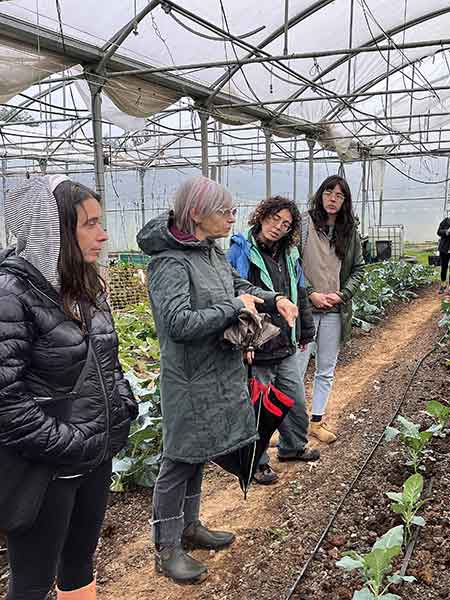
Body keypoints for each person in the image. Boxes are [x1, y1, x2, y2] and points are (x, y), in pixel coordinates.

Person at [137, 176, 298, 584]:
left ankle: (190, 528)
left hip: (217, 371)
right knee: (178, 460)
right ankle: (167, 547)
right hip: (189, 378)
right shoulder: (169, 262)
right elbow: (177, 323)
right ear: (196, 214)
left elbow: (236, 285)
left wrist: (270, 298)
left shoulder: (208, 251)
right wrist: (232, 308)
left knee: (199, 455)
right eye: (224, 211)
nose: (232, 218)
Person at [0, 177, 136, 600]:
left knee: (79, 564)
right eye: (90, 224)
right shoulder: (12, 294)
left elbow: (107, 361)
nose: (103, 234)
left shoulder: (86, 288)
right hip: (44, 468)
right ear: (56, 229)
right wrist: (67, 442)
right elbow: (6, 399)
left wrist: (123, 405)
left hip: (92, 455)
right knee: (34, 579)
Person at [227, 196, 317, 485]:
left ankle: (292, 447)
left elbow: (299, 293)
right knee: (258, 408)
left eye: (286, 224)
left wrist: (305, 331)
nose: (278, 227)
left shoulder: (290, 255)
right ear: (261, 216)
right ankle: (257, 462)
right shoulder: (241, 252)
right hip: (258, 344)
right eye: (274, 219)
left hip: (285, 343)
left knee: (294, 399)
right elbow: (235, 299)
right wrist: (245, 343)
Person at [296, 175, 365, 444]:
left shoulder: (350, 231)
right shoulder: (303, 224)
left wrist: (342, 295)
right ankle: (293, 425)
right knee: (297, 369)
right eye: (328, 192)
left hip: (335, 311)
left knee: (326, 368)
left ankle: (317, 422)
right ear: (320, 194)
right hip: (306, 310)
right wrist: (310, 293)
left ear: (345, 201)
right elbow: (293, 265)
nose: (333, 199)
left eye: (339, 195)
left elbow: (358, 269)